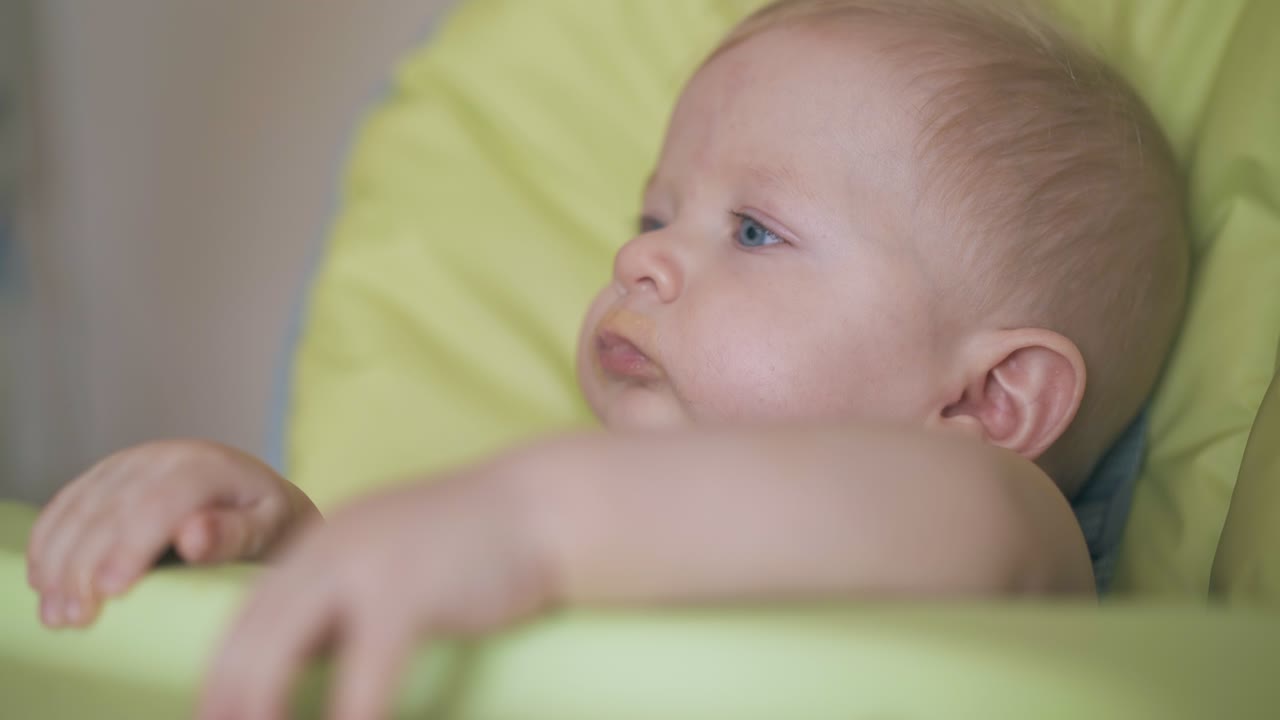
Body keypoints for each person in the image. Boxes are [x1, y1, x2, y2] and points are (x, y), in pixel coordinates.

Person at [25, 0, 1188, 717]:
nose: (642, 266)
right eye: (651, 219)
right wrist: (286, 547)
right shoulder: (581, 522)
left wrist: (523, 525)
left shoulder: (999, 519)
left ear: (988, 399)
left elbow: (901, 522)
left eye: (753, 231)